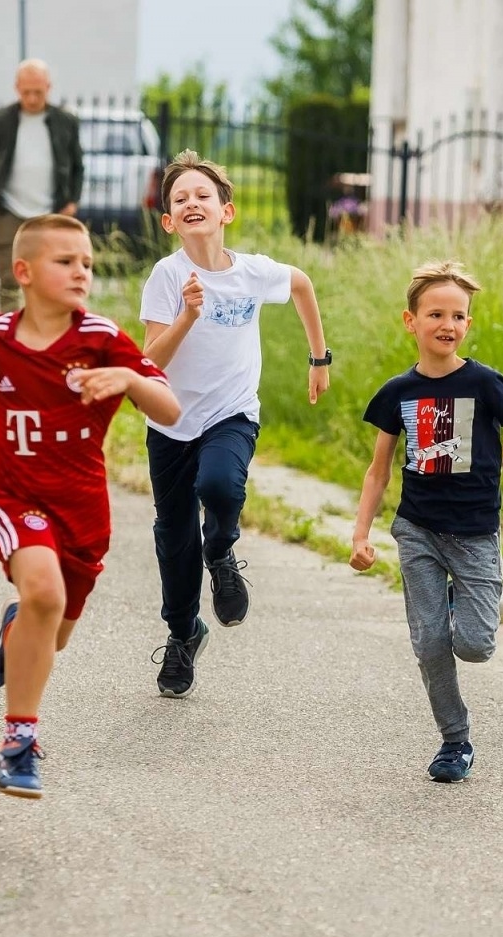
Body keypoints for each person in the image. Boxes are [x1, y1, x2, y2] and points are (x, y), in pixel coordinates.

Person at [0, 214, 179, 799]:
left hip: (83, 511)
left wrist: (128, 381)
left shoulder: (104, 340)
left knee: (51, 633)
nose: (81, 271)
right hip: (12, 497)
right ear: (24, 272)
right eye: (66, 262)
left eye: (86, 262)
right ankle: (19, 742)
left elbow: (169, 410)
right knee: (43, 592)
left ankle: (15, 633)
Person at [351, 262, 503, 783]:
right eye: (436, 314)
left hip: (474, 535)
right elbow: (378, 471)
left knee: (475, 644)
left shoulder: (484, 383)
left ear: (468, 324)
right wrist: (360, 533)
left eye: (458, 316)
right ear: (411, 321)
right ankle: (454, 741)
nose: (448, 323)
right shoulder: (397, 392)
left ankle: (452, 604)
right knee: (429, 643)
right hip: (417, 530)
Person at [139, 149, 331, 699]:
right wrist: (188, 316)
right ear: (169, 221)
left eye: (203, 195)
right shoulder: (167, 275)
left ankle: (220, 552)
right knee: (173, 539)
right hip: (171, 422)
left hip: (231, 413)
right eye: (180, 200)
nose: (192, 203)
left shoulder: (252, 272)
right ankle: (182, 636)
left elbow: (302, 284)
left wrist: (319, 358)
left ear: (227, 211)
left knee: (220, 487)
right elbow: (152, 360)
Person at [0, 58, 84, 313]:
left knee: (50, 277)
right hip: (7, 210)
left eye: (38, 92)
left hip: (50, 212)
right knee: (9, 278)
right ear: (17, 88)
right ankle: (10, 336)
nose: (31, 98)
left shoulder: (66, 122)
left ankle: (46, 333)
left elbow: (77, 167)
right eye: (26, 92)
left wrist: (72, 202)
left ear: (49, 87)